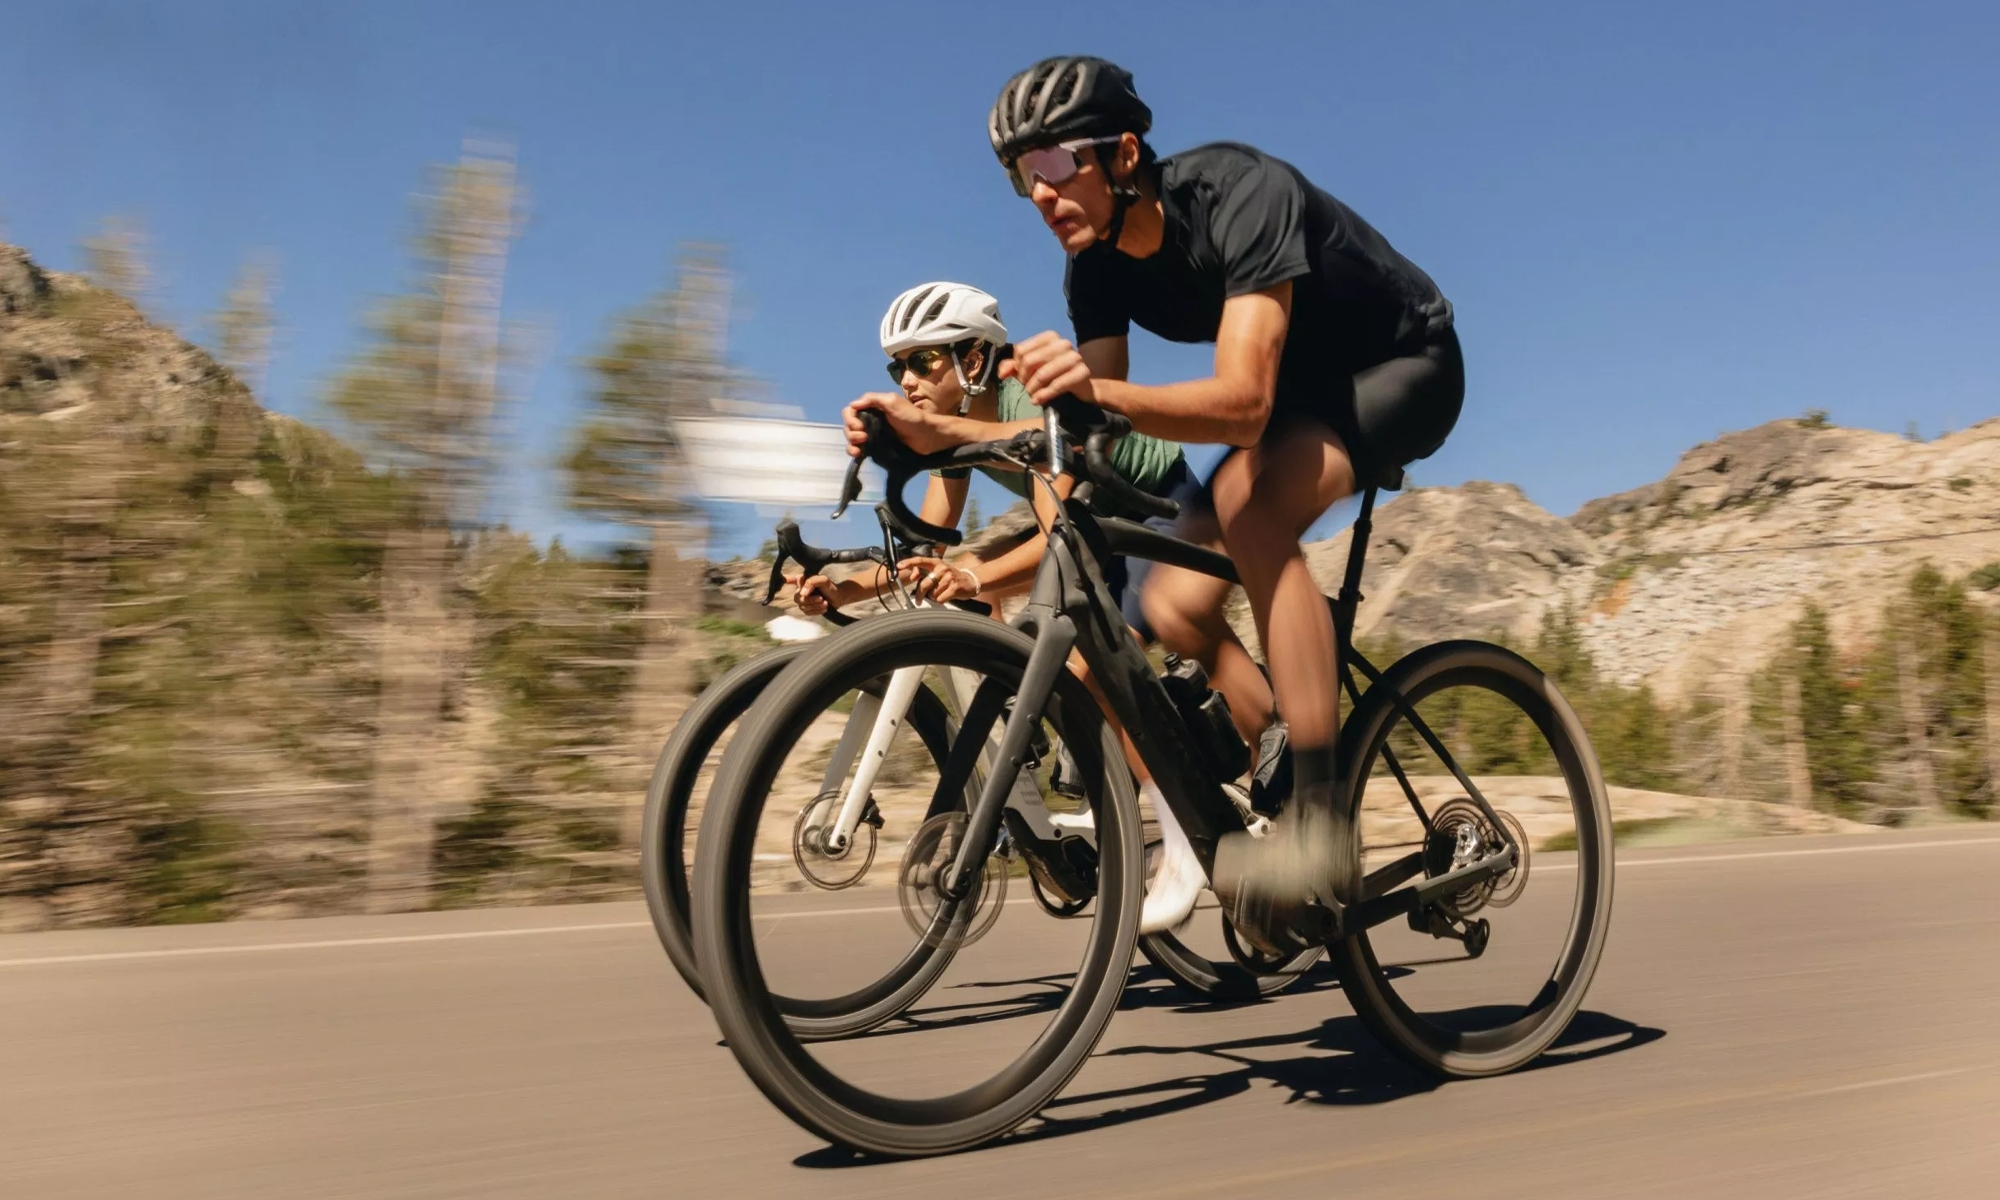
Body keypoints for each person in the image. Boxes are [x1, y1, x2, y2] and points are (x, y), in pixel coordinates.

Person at [983, 55, 1466, 955]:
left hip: (1402, 364)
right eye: (1022, 176)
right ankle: (1273, 758)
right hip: (1302, 391)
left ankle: (1321, 823)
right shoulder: (1093, 271)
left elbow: (1240, 401)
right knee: (1169, 600)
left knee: (1253, 517)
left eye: (1054, 165)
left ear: (1124, 155)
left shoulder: (1240, 192)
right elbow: (1098, 429)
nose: (1039, 193)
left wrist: (1095, 391)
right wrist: (966, 436)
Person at [799, 282, 1209, 930]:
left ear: (976, 359)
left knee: (1085, 670)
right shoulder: (953, 437)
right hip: (1089, 521)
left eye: (922, 361)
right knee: (978, 593)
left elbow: (1056, 536)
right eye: (896, 366)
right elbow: (928, 546)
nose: (906, 379)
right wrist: (847, 585)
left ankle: (1183, 839)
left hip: (1161, 514)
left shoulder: (1033, 401)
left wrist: (976, 574)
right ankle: (1057, 783)